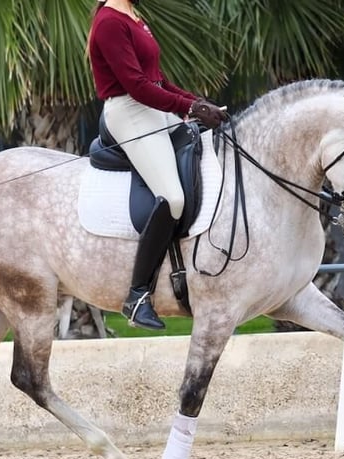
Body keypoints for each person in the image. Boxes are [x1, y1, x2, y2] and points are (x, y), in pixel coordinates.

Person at [88, 0, 228, 330]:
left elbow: (158, 80)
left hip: (151, 107)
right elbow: (136, 85)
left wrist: (197, 104)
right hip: (129, 112)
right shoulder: (110, 21)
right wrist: (189, 107)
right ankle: (137, 296)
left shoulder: (134, 16)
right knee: (173, 197)